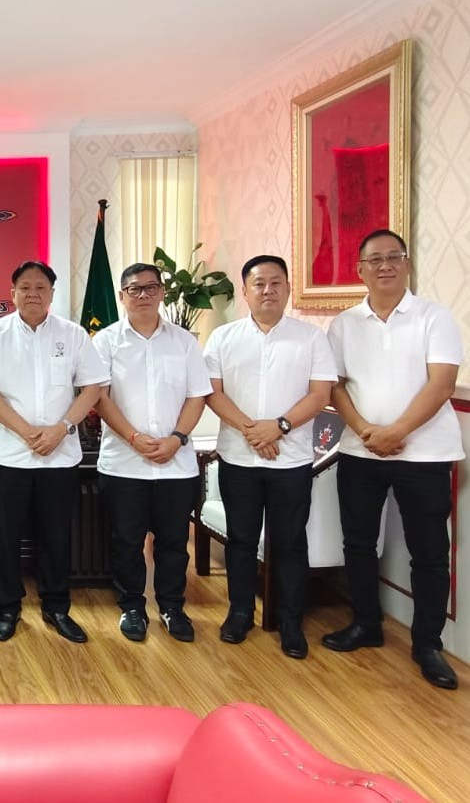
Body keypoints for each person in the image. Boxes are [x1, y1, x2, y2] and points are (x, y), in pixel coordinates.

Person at [323, 229, 463, 690]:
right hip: (359, 451)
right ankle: (366, 623)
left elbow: (442, 384)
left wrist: (397, 431)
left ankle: (428, 644)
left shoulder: (433, 317)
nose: (385, 266)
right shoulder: (343, 324)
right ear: (360, 270)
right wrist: (366, 430)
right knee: (359, 542)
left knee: (429, 552)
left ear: (406, 264)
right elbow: (335, 386)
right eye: (375, 260)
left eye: (394, 257)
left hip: (424, 452)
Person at [203, 255, 335, 659]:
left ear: (288, 289)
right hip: (238, 458)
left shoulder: (311, 338)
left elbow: (320, 395)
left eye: (276, 283)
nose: (268, 290)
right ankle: (240, 612)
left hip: (290, 460)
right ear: (245, 291)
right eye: (259, 283)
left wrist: (278, 427)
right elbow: (212, 393)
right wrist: (252, 430)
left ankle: (291, 621)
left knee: (291, 542)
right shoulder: (223, 338)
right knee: (241, 540)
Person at [0, 261, 107, 644]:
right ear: (12, 292)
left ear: (51, 293)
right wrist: (25, 431)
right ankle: (8, 607)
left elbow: (93, 388)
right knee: (7, 535)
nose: (33, 293)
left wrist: (62, 428)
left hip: (60, 455)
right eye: (25, 287)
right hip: (10, 456)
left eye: (41, 287)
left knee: (57, 534)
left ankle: (56, 605)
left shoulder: (73, 334)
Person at [93, 263, 210, 643]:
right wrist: (132, 437)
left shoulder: (184, 342)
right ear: (122, 296)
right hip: (124, 462)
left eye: (150, 287)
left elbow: (197, 396)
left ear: (162, 293)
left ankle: (172, 607)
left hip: (175, 463)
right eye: (134, 289)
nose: (143, 295)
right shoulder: (105, 342)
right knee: (126, 542)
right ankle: (132, 607)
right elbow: (100, 398)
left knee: (174, 543)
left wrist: (176, 438)